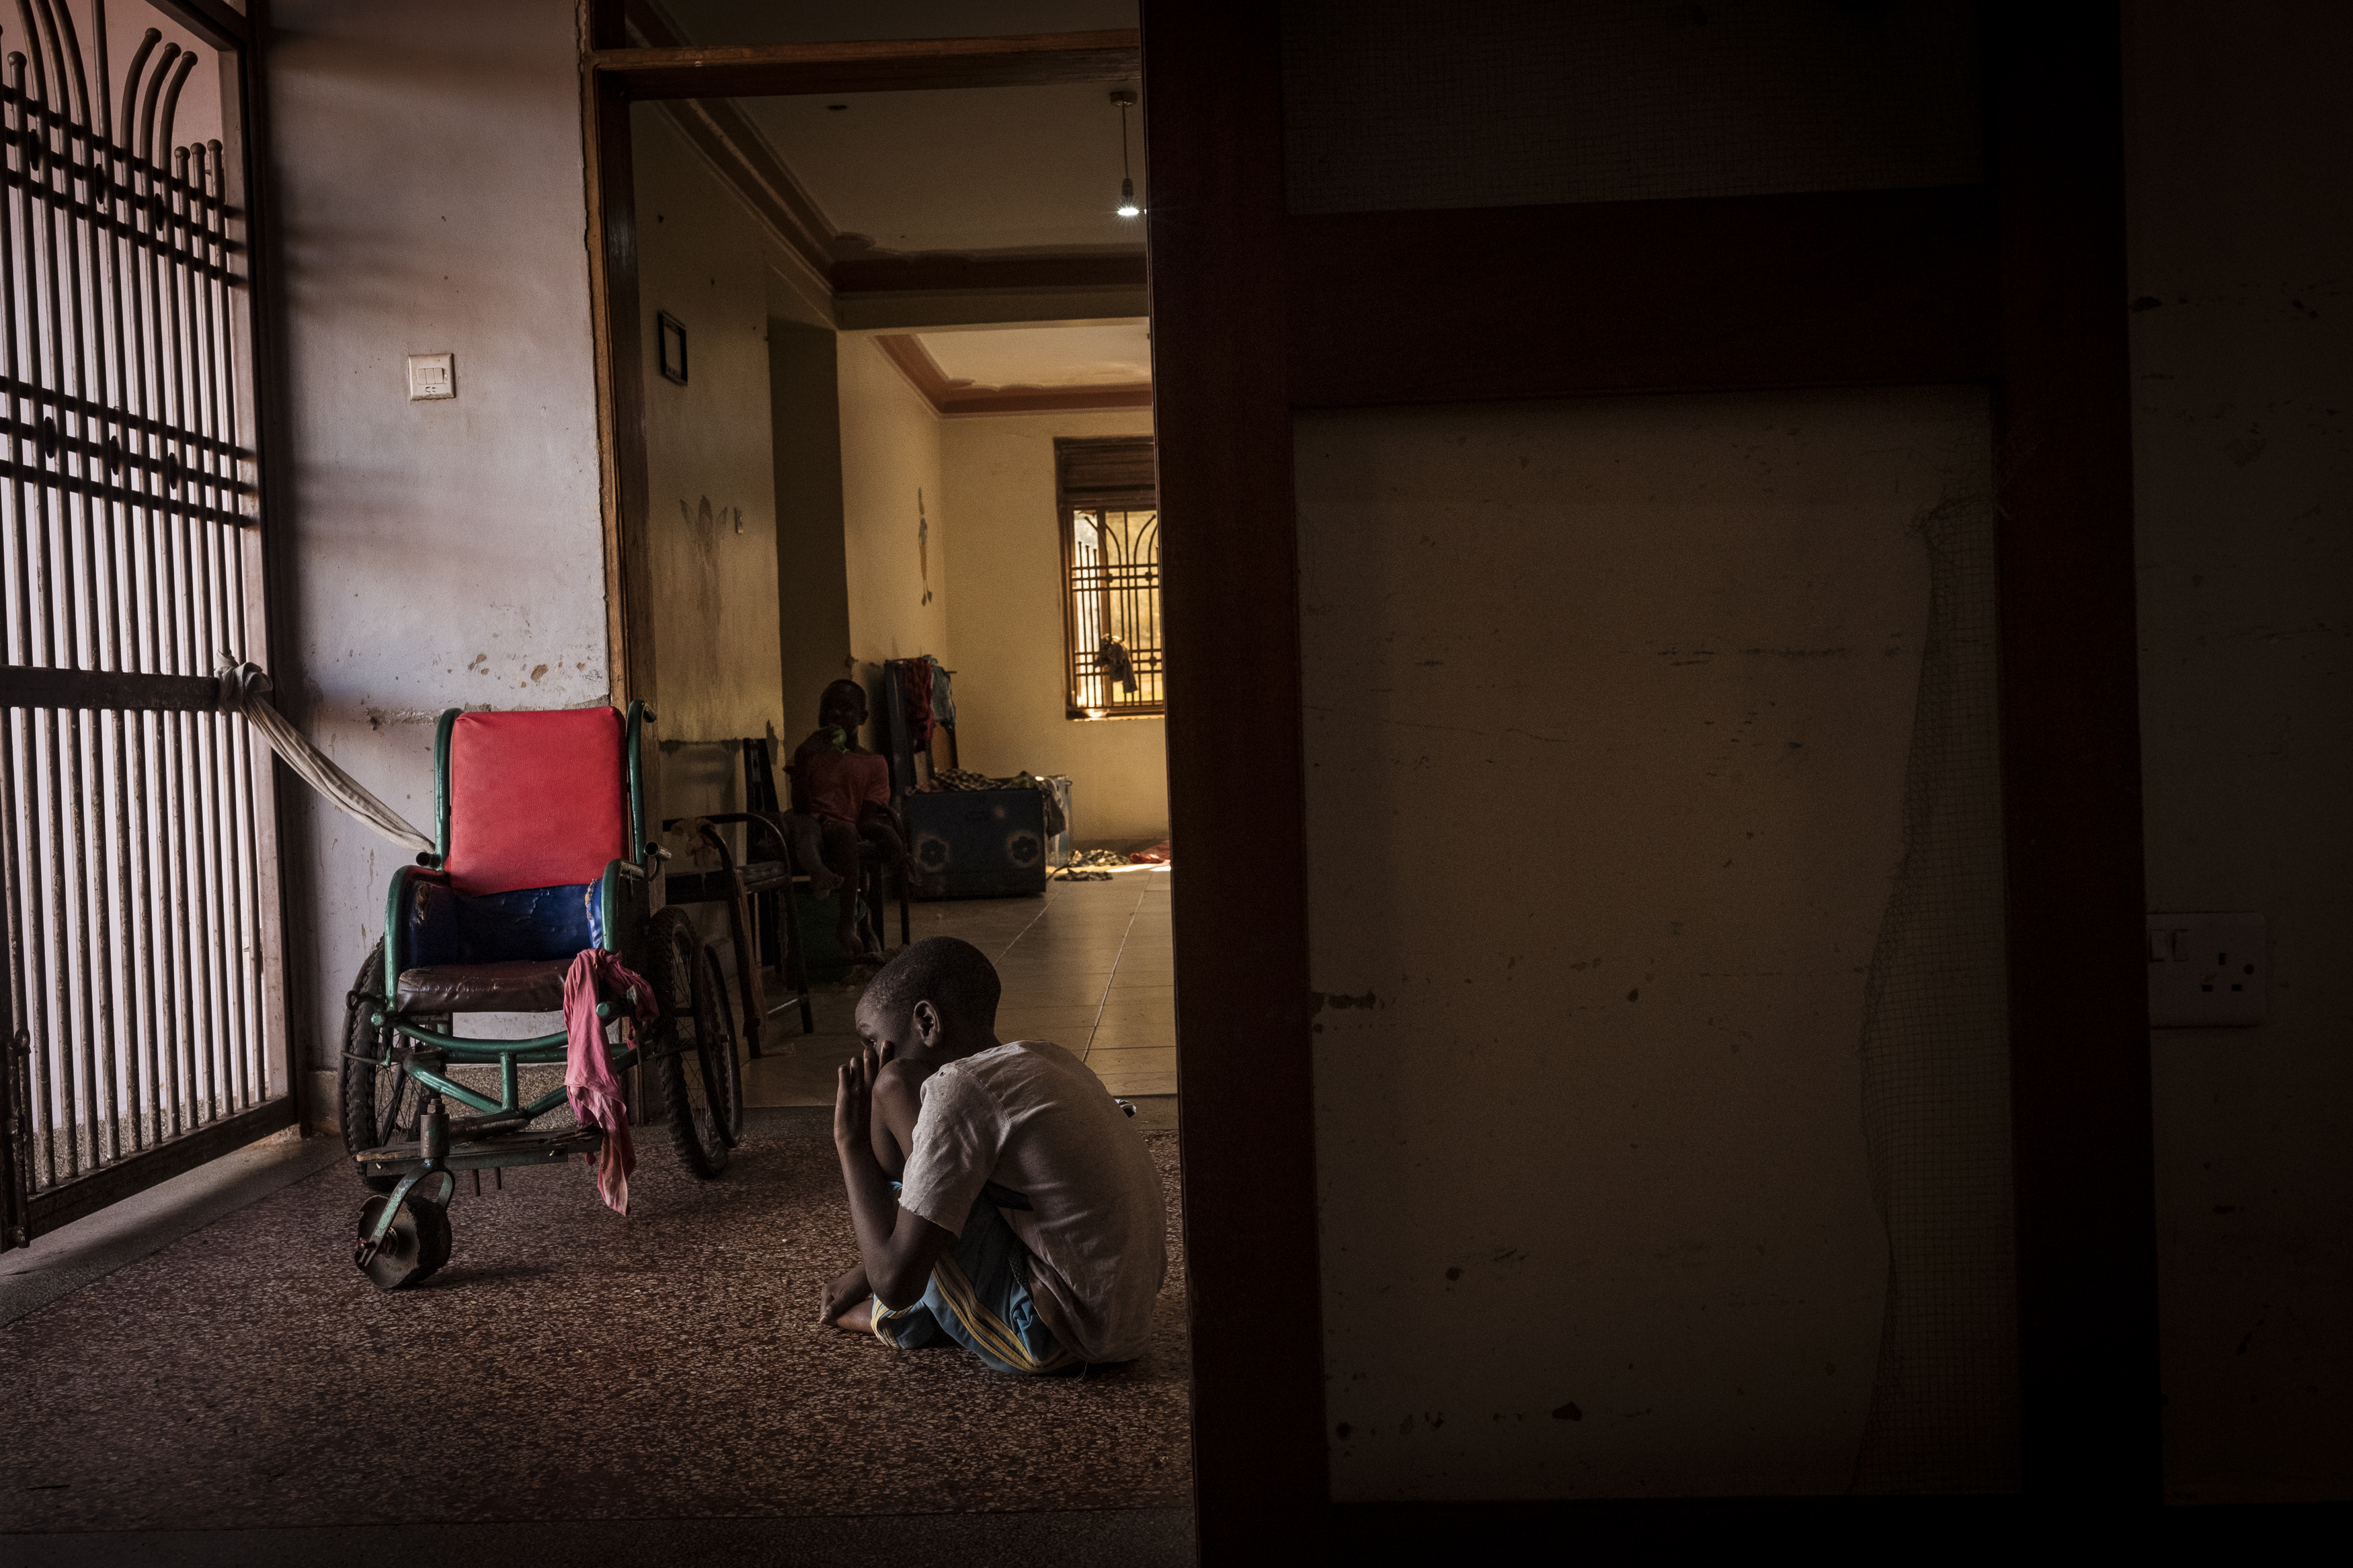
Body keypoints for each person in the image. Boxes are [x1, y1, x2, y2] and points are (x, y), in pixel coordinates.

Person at [820, 937, 1168, 1374]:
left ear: (927, 1021)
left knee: (893, 1087)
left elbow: (895, 1284)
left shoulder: (956, 1092)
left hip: (1058, 1331)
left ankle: (893, 1324)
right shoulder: (1045, 1057)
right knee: (932, 1197)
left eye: (873, 1041)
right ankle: (913, 1292)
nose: (870, 1059)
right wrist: (866, 1269)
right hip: (1122, 1316)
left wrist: (850, 1144)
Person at [787, 678, 910, 963]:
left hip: (840, 827)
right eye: (827, 709)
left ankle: (847, 925)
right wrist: (804, 757)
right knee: (804, 827)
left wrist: (883, 831)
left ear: (862, 718)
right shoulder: (810, 753)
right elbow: (801, 806)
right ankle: (817, 871)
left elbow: (866, 819)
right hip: (807, 819)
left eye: (845, 710)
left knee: (844, 834)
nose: (835, 716)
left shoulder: (874, 763)